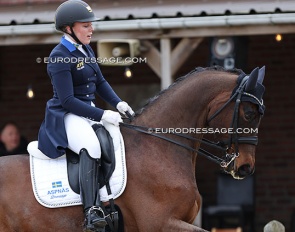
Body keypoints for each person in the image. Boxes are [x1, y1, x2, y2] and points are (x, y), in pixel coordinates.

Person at [37, 1, 134, 231]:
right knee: (91, 145)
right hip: (66, 115)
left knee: (116, 138)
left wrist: (118, 103)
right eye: (86, 26)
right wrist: (102, 114)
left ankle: (111, 196)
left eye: (91, 25)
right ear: (69, 28)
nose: (91, 30)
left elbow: (100, 81)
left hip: (87, 113)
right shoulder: (59, 57)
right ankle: (92, 211)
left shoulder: (86, 49)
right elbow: (68, 101)